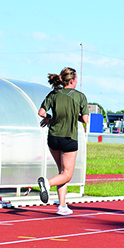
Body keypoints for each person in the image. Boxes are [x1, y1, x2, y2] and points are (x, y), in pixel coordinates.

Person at [37, 67, 90, 215]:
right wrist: (77, 117)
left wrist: (49, 117)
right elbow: (85, 119)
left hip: (53, 137)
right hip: (69, 137)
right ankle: (46, 183)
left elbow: (41, 112)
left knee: (61, 172)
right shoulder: (80, 96)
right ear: (72, 80)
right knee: (67, 174)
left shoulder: (53, 94)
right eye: (77, 79)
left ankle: (62, 206)